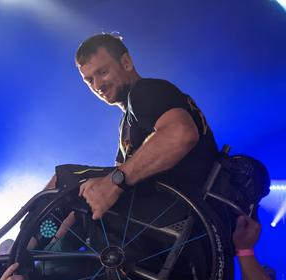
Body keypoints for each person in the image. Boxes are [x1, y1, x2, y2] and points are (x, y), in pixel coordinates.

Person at [50, 33, 217, 220]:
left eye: (102, 72)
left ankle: (21, 245)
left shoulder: (145, 91)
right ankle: (40, 245)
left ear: (126, 62)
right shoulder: (127, 123)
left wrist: (114, 183)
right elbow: (104, 189)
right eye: (89, 80)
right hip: (179, 214)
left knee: (63, 178)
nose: (97, 86)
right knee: (88, 194)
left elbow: (181, 134)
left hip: (182, 207)